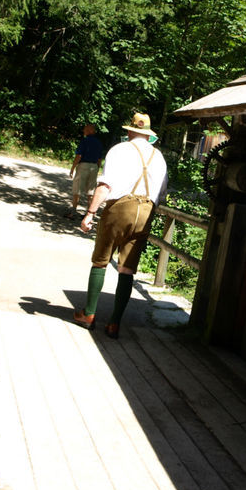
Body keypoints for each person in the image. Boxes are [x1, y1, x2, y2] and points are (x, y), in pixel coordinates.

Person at [71, 113, 168, 339]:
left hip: (119, 209)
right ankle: (114, 323)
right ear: (148, 135)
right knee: (127, 268)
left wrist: (90, 213)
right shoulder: (160, 157)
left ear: (130, 131)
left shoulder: (119, 150)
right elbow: (161, 194)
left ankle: (89, 314)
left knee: (101, 260)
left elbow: (105, 186)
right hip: (146, 212)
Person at [66, 123, 104, 219]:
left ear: (91, 131)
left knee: (77, 189)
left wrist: (73, 167)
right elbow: (100, 158)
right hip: (94, 167)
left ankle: (73, 212)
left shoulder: (85, 141)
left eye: (86, 129)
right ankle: (89, 213)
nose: (84, 131)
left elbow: (79, 156)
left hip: (84, 165)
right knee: (91, 191)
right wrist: (97, 168)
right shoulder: (99, 142)